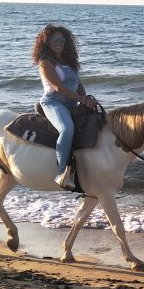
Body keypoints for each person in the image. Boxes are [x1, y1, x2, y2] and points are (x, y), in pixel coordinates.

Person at [32, 24, 97, 190]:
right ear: (47, 42)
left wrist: (86, 98)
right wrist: (82, 101)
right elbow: (58, 87)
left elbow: (78, 83)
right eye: (55, 40)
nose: (59, 42)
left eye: (62, 40)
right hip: (53, 102)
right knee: (67, 129)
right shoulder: (45, 62)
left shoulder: (68, 62)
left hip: (71, 102)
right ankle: (61, 173)